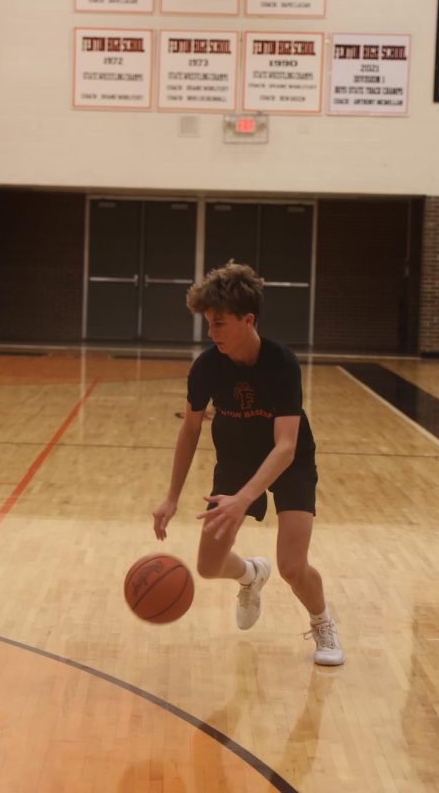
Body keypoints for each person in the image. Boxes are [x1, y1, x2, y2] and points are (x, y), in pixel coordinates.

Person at [152, 261, 343, 665]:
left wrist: (242, 499)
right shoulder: (205, 367)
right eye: (208, 324)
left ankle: (323, 623)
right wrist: (171, 498)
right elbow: (189, 431)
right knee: (207, 566)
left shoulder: (282, 364)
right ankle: (250, 575)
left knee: (293, 567)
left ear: (248, 319)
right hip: (236, 458)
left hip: (290, 462)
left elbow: (286, 446)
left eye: (219, 323)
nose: (211, 333)